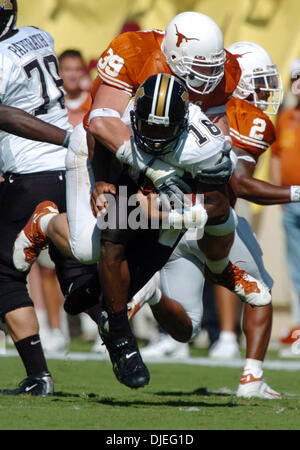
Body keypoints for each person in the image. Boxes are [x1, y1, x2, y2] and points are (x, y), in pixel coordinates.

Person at [14, 74, 271, 390]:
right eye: (146, 127)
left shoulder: (204, 143)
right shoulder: (118, 119)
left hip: (162, 194)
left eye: (162, 130)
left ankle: (102, 285)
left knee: (150, 259)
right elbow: (95, 134)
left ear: (182, 125)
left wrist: (171, 214)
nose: (153, 137)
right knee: (101, 244)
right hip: (104, 161)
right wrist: (100, 182)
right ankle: (120, 338)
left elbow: (218, 206)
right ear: (135, 117)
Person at [0, 1, 99, 396]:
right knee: (75, 271)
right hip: (69, 170)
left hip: (29, 172)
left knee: (5, 275)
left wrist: (64, 136)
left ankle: (38, 375)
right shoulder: (41, 35)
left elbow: (6, 115)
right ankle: (122, 344)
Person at [270, 58, 300, 357]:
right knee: (296, 269)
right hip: (291, 204)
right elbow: (277, 156)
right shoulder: (287, 117)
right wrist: (279, 196)